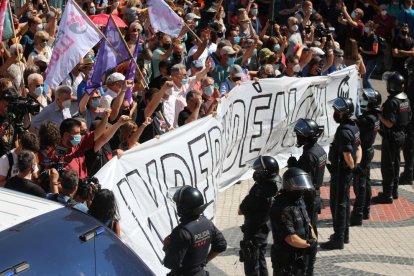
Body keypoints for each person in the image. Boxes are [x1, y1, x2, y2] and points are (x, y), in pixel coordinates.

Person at [321, 97, 362, 250]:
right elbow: (359, 149)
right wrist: (356, 166)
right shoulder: (354, 126)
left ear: (343, 114)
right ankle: (344, 234)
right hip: (347, 172)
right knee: (344, 202)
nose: (335, 113)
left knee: (338, 204)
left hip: (341, 173)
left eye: (337, 112)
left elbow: (347, 154)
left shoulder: (343, 131)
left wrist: (351, 167)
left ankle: (338, 238)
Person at [163, 185, 227, 275]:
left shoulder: (181, 232)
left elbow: (171, 263)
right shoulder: (207, 223)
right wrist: (204, 262)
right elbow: (221, 245)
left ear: (182, 208)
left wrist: (166, 247)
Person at [269, 167, 317, 275]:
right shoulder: (281, 208)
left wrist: (313, 238)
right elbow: (290, 238)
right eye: (299, 185)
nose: (302, 188)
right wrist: (308, 244)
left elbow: (307, 222)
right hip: (286, 261)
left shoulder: (299, 201)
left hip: (301, 255)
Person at [374, 72, 412, 203]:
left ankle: (387, 194)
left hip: (391, 137)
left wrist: (379, 115)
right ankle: (394, 191)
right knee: (395, 164)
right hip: (402, 135)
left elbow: (389, 123)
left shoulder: (392, 102)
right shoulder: (405, 99)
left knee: (388, 166)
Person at [239, 155, 280, 276]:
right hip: (265, 225)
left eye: (258, 171)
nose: (255, 173)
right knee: (260, 254)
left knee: (251, 259)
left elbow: (241, 210)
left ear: (265, 173)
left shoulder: (259, 191)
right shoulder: (277, 182)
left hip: (254, 229)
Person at [287, 118, 326, 236]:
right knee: (312, 223)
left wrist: (293, 167)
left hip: (308, 196)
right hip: (315, 193)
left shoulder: (308, 156)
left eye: (299, 135)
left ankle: (309, 250)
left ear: (306, 136)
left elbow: (301, 179)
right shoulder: (319, 149)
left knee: (307, 225)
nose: (297, 137)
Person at [350, 89, 381, 225]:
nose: (363, 100)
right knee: (365, 182)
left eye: (366, 99)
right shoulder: (375, 116)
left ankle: (359, 213)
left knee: (360, 184)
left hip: (363, 153)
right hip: (368, 151)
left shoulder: (366, 119)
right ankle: (366, 210)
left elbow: (354, 126)